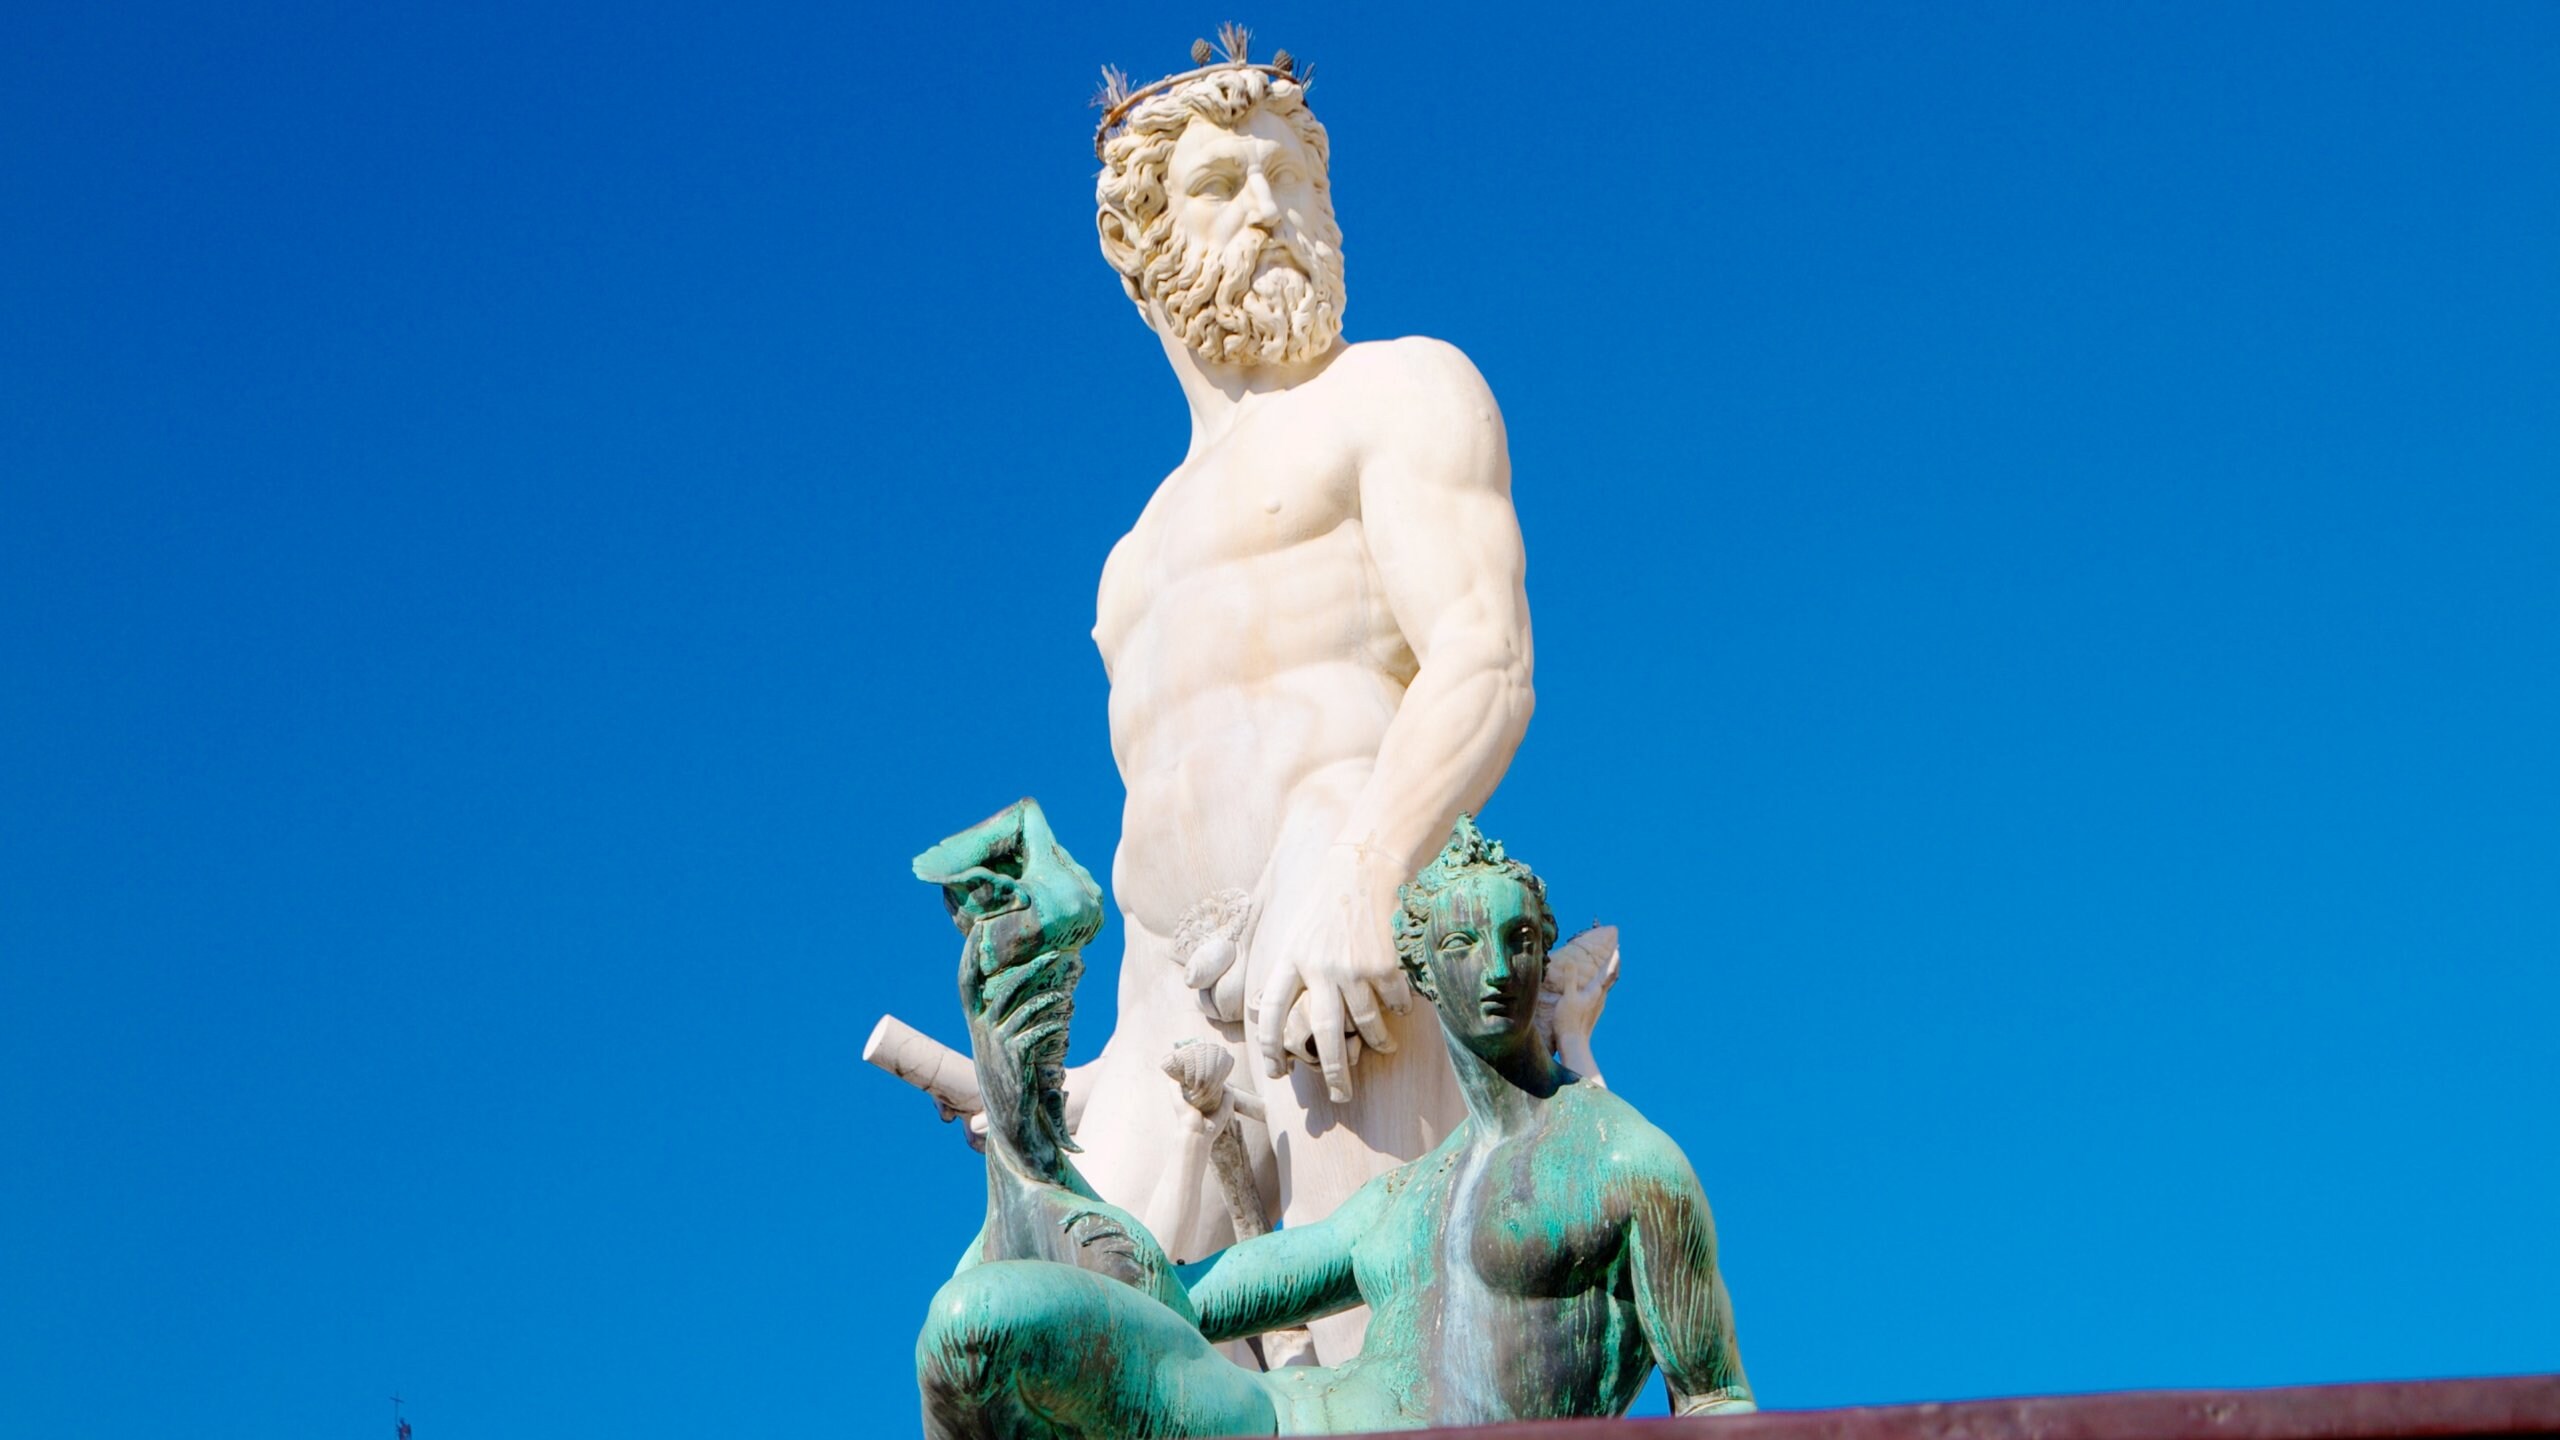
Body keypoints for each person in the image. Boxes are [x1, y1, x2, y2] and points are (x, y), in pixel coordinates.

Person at [1066, 40, 1537, 1355]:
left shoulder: (1395, 391)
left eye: (1295, 181)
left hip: (1348, 942)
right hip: (1168, 1016)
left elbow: (1484, 656)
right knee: (1059, 1345)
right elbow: (1160, 822)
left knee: (1369, 1365)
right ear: (1135, 238)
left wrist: (1370, 867)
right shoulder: (1128, 565)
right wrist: (1095, 1069)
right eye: (1224, 184)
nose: (1273, 210)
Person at [916, 818, 1752, 1437]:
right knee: (976, 1324)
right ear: (1422, 965)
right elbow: (1192, 1303)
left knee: (980, 1325)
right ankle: (1020, 992)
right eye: (1464, 940)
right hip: (1280, 1420)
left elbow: (1716, 1399)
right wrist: (1054, 1233)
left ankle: (1022, 1004)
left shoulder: (1628, 1161)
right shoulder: (1404, 1196)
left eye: (1522, 940)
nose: (1498, 968)